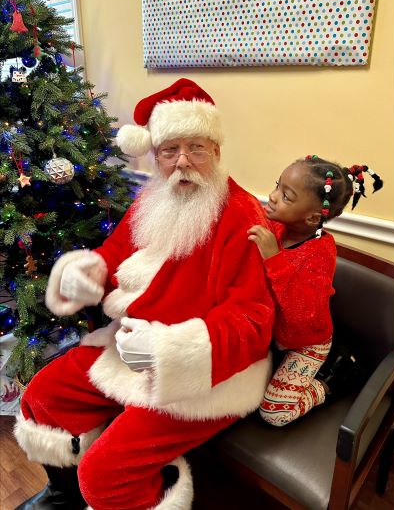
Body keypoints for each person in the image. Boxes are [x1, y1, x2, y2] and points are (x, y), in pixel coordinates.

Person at [14, 78, 275, 510]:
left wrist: (168, 348)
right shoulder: (151, 200)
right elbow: (113, 255)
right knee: (42, 397)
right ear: (155, 157)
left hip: (207, 370)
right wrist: (87, 273)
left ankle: (156, 494)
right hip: (132, 342)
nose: (182, 162)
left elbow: (253, 318)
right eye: (169, 151)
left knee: (105, 473)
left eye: (196, 147)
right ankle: (63, 495)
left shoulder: (242, 215)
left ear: (217, 151)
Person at [248, 156, 383, 427]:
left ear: (311, 216)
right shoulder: (274, 227)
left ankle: (336, 377)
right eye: (277, 186)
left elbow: (301, 315)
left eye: (286, 196)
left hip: (307, 342)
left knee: (273, 413)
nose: (272, 197)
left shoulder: (320, 254)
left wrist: (275, 259)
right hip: (273, 333)